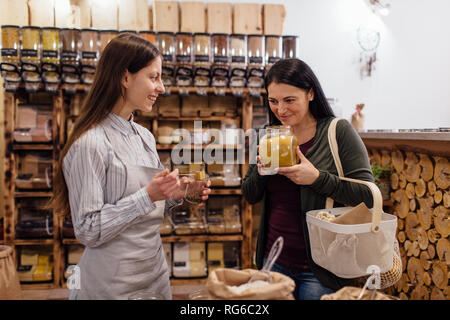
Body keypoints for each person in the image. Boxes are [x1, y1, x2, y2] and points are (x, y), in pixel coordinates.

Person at [49, 33, 211, 300]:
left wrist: (176, 195)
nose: (162, 88)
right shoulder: (89, 144)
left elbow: (149, 209)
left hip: (153, 275)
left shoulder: (144, 137)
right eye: (154, 77)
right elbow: (88, 229)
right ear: (125, 78)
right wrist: (147, 195)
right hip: (109, 284)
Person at [242, 59, 375, 300]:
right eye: (273, 101)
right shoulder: (267, 135)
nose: (280, 110)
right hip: (273, 262)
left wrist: (316, 178)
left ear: (311, 94)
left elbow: (368, 195)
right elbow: (250, 195)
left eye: (289, 100)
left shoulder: (338, 131)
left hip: (321, 269)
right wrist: (260, 173)